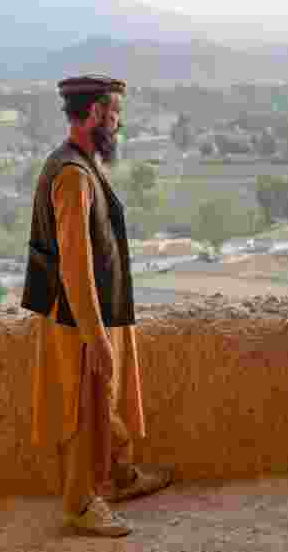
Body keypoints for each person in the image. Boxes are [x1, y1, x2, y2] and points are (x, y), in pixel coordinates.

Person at [21, 74, 172, 537]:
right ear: (93, 114)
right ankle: (80, 503)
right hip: (81, 321)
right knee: (85, 412)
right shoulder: (71, 176)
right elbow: (75, 266)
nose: (118, 125)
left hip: (97, 315)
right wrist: (95, 335)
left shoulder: (81, 165)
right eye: (114, 115)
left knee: (105, 404)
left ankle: (120, 477)